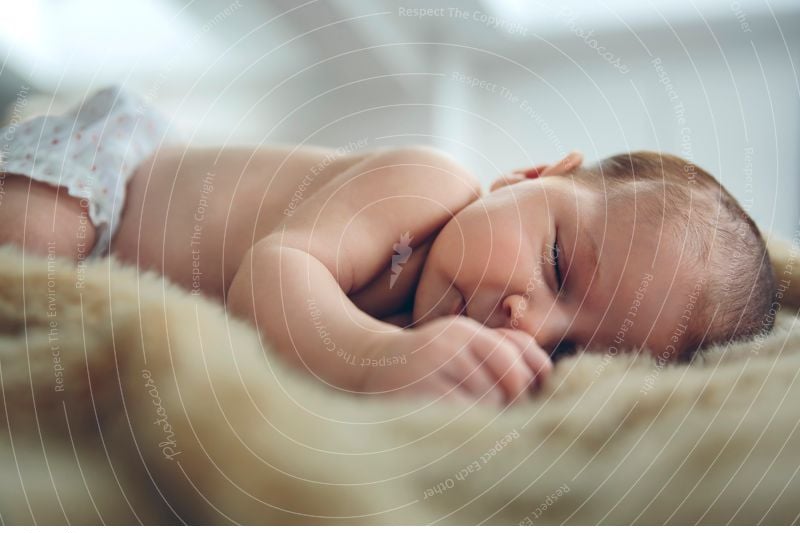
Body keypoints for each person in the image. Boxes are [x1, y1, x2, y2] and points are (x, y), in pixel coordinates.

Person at [0, 87, 777, 406]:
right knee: (31, 248)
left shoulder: (446, 333)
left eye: (567, 348)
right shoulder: (426, 188)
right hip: (112, 181)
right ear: (533, 175)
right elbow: (274, 271)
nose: (527, 320)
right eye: (557, 265)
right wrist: (378, 359)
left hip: (121, 253)